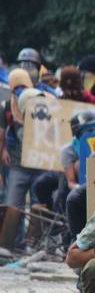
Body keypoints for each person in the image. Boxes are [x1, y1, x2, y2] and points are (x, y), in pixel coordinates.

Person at [0, 70, 47, 213]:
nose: (19, 92)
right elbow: (2, 134)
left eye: (23, 87)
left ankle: (36, 236)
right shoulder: (7, 106)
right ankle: (11, 236)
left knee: (38, 207)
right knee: (12, 207)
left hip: (40, 164)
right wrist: (4, 150)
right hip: (17, 164)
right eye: (15, 88)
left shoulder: (43, 104)